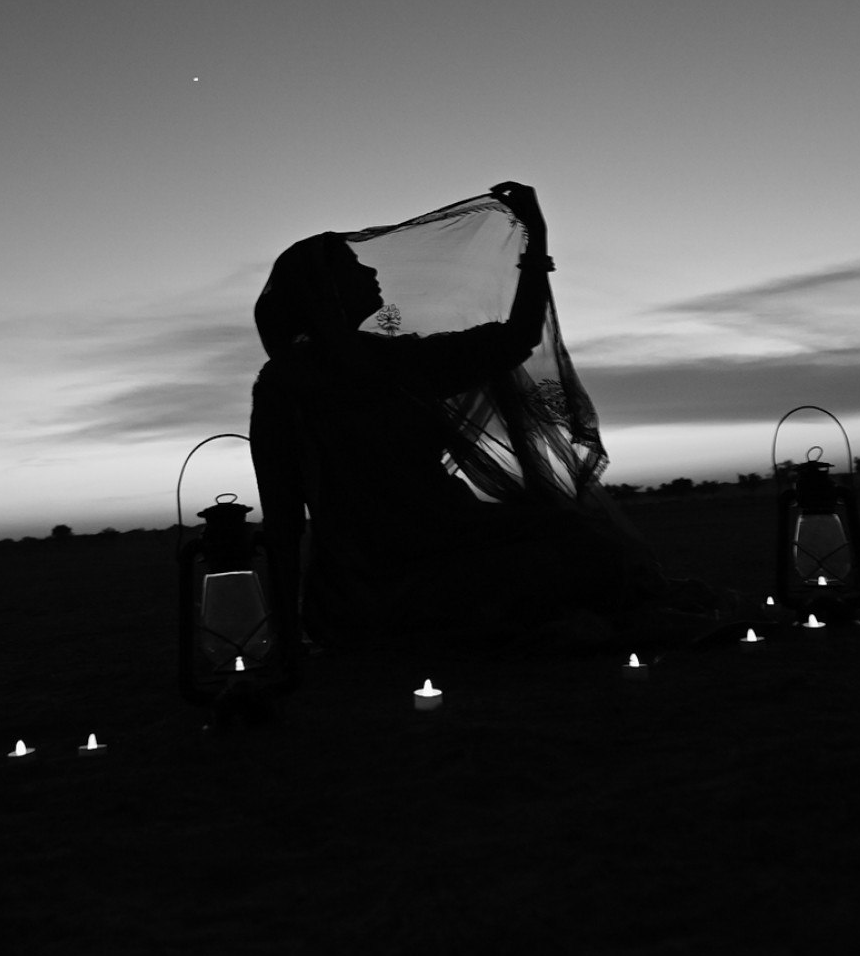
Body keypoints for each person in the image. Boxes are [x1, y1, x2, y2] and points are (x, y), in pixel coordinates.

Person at [249, 183, 695, 654]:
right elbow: (282, 519)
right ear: (325, 293)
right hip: (377, 582)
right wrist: (286, 638)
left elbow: (515, 339)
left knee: (582, 544)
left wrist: (536, 237)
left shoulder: (398, 362)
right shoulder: (289, 387)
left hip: (452, 539)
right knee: (561, 562)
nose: (371, 270)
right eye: (352, 266)